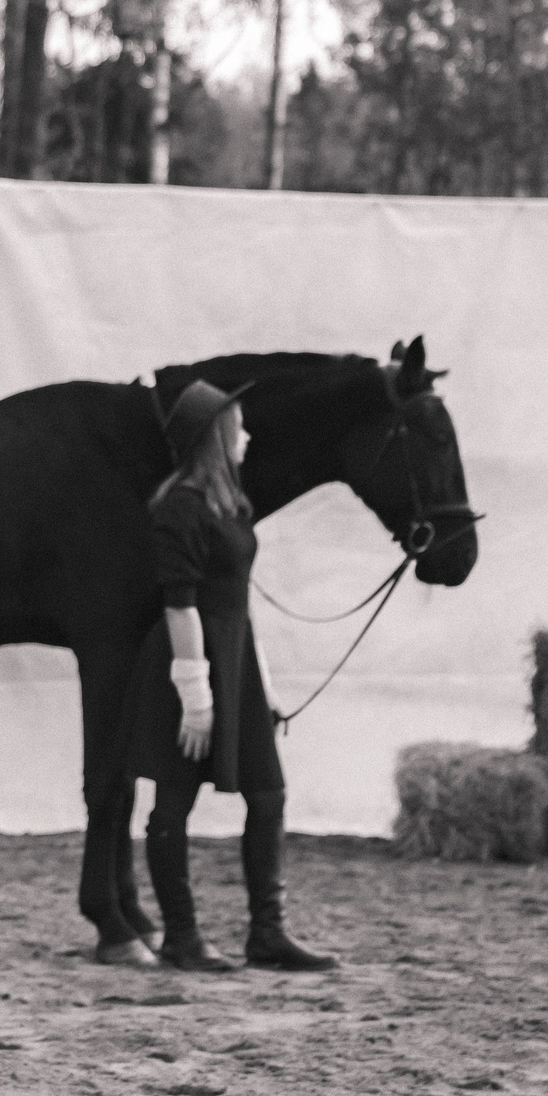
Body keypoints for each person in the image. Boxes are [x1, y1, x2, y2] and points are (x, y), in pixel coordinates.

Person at [119, 380, 338, 974]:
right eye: (237, 426)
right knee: (173, 801)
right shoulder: (181, 506)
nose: (246, 436)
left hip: (233, 659)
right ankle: (182, 938)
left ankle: (267, 933)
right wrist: (196, 698)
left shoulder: (228, 504)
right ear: (214, 437)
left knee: (268, 794)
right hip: (191, 666)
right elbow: (179, 606)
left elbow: (237, 606)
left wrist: (258, 688)